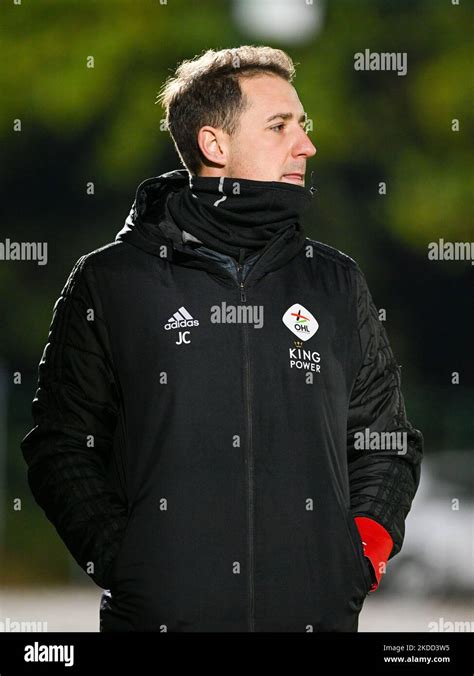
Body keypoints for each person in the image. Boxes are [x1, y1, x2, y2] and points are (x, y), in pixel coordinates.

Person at [20, 45, 423, 632]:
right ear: (215, 145)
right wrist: (131, 565)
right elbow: (61, 447)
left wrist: (355, 558)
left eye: (303, 126)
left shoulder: (337, 281)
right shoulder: (109, 282)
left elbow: (386, 440)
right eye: (280, 126)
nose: (305, 145)